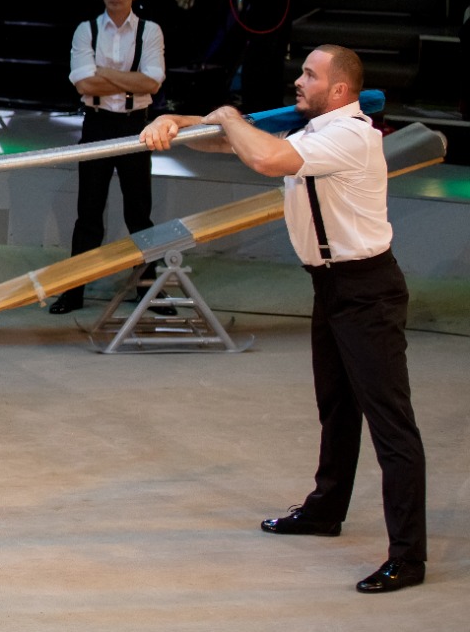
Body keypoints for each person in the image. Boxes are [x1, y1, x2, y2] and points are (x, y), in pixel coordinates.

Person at [141, 45, 427, 594]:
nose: (298, 80)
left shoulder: (352, 136)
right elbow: (231, 139)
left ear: (339, 90)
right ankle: (326, 510)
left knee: (391, 424)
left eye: (309, 75)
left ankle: (408, 557)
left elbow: (266, 158)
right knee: (336, 408)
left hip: (367, 290)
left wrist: (227, 116)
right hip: (331, 286)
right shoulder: (313, 127)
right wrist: (175, 123)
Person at [51, 0, 166, 314]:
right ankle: (74, 292)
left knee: (139, 213)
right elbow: (84, 84)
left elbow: (152, 83)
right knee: (88, 213)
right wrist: (129, 78)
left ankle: (148, 290)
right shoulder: (85, 30)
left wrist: (104, 72)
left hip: (135, 127)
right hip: (97, 125)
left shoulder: (150, 31)